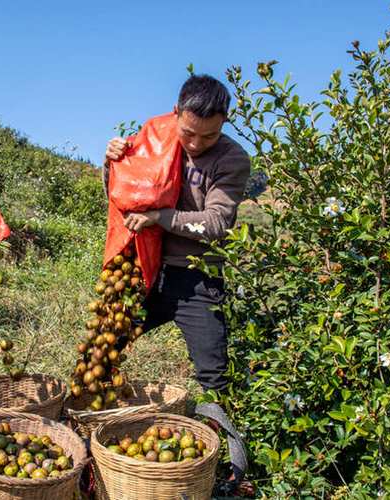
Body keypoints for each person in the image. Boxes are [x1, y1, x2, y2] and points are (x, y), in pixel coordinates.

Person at [103, 74, 251, 482]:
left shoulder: (232, 160)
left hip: (196, 279)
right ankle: (89, 423)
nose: (196, 144)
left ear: (224, 124)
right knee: (104, 346)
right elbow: (123, 193)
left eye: (209, 136)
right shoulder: (154, 139)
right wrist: (113, 160)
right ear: (175, 114)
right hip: (144, 270)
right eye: (189, 133)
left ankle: (227, 465)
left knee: (213, 375)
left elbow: (218, 223)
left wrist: (159, 218)